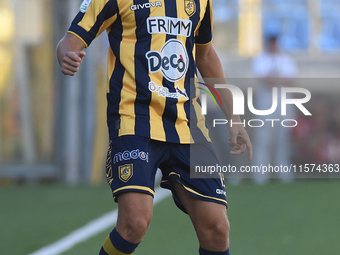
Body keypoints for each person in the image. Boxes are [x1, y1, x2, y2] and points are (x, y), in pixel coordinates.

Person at [57, 0, 252, 254]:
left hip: (188, 126)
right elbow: (71, 39)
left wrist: (233, 117)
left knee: (216, 228)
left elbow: (205, 54)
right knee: (134, 222)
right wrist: (67, 56)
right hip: (133, 121)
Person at [251, 34, 297, 184]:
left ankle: (284, 175)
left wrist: (275, 80)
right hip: (265, 103)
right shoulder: (261, 59)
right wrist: (278, 80)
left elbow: (290, 80)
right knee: (263, 139)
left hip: (283, 102)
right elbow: (265, 79)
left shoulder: (286, 59)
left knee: (282, 139)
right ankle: (260, 176)